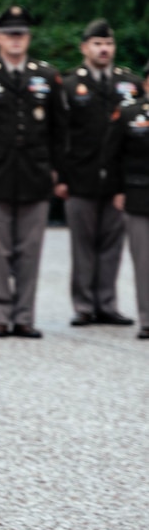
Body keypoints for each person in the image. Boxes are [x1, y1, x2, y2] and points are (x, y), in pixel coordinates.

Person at [0, 5, 67, 339]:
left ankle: (24, 316)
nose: (16, 40)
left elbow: (60, 130)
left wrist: (56, 170)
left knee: (29, 249)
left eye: (21, 34)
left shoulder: (47, 77)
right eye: (9, 34)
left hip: (34, 173)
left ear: (28, 38)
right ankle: (0, 315)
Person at [59, 19, 138, 327]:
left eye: (108, 44)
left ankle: (107, 303)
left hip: (118, 180)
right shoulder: (68, 85)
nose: (103, 49)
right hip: (81, 176)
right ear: (84, 48)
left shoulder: (129, 84)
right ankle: (83, 305)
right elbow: (61, 135)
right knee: (83, 244)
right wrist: (63, 176)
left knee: (112, 245)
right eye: (97, 44)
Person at [105, 65, 149, 340]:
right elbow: (113, 155)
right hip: (139, 195)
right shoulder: (130, 113)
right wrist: (117, 190)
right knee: (144, 262)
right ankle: (147, 319)